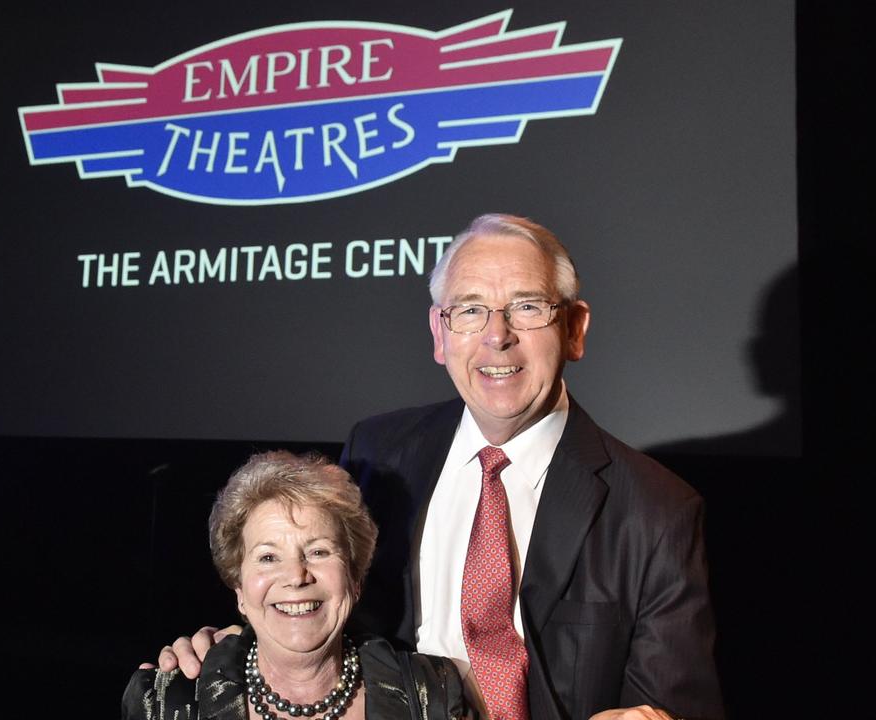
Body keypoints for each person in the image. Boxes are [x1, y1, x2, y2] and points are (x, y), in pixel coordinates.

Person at [155, 214, 724, 720]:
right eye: (470, 311)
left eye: (527, 306)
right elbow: (322, 605)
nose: (497, 337)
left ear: (573, 328)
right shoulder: (378, 453)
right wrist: (242, 647)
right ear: (439, 334)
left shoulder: (655, 510)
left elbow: (678, 707)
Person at [123, 450, 473, 720]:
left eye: (319, 551)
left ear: (354, 580)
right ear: (240, 590)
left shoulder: (431, 695)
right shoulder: (168, 702)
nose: (296, 576)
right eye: (268, 557)